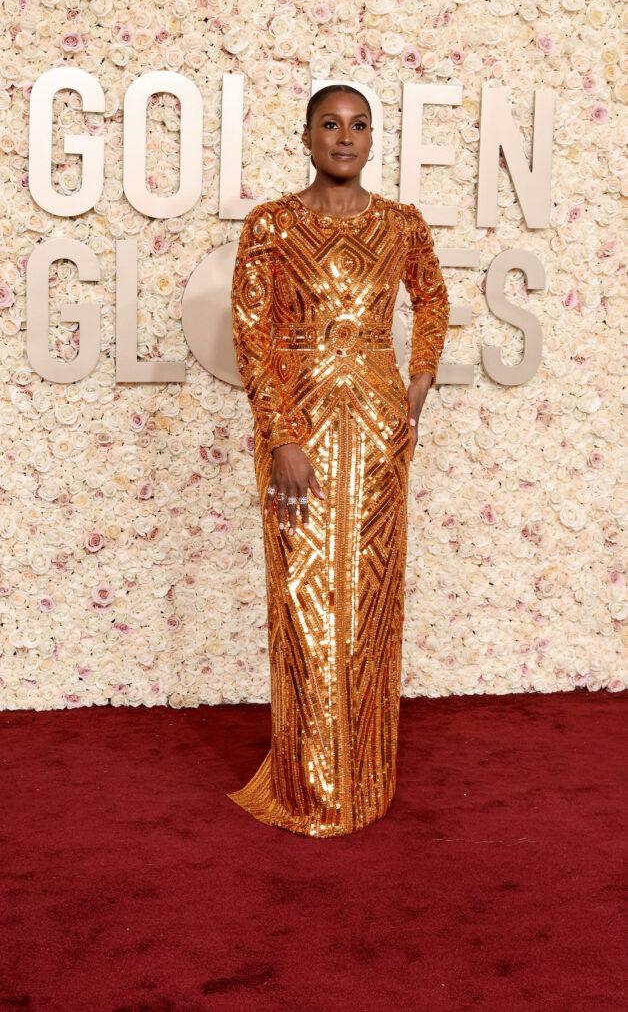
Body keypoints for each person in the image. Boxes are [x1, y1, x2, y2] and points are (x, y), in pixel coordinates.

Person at [227, 84, 450, 837]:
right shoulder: (271, 226)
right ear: (306, 136)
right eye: (331, 124)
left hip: (381, 434)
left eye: (358, 125)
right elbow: (253, 336)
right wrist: (282, 437)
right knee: (303, 601)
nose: (344, 137)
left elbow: (434, 302)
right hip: (300, 433)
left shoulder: (401, 225)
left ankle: (364, 778)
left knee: (371, 603)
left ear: (372, 138)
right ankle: (306, 781)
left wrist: (414, 389)